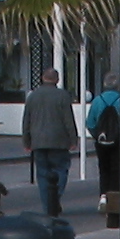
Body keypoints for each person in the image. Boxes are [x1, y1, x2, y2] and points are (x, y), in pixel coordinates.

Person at [20, 67, 76, 217]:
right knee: (60, 171)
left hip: (38, 141)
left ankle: (48, 205)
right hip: (59, 141)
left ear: (42, 78)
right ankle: (55, 198)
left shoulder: (33, 96)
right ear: (57, 79)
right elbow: (68, 120)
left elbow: (27, 120)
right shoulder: (63, 96)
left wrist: (26, 141)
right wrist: (73, 139)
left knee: (43, 174)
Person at [86, 78, 120, 195]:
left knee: (104, 169)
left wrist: (97, 136)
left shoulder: (97, 100)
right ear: (117, 86)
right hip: (119, 140)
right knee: (117, 169)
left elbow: (90, 123)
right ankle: (115, 197)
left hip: (101, 141)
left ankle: (104, 195)